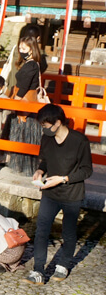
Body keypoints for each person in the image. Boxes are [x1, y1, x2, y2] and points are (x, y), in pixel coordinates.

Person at [25, 104, 93, 285]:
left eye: (47, 125)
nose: (44, 129)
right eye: (43, 126)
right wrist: (40, 171)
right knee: (41, 231)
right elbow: (45, 160)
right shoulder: (47, 139)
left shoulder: (80, 141)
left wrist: (63, 179)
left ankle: (63, 264)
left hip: (72, 194)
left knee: (68, 232)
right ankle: (38, 270)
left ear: (58, 122)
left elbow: (87, 171)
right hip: (50, 191)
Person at [6, 35, 43, 176]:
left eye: (23, 48)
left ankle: (23, 165)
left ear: (31, 49)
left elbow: (25, 85)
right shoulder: (30, 64)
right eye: (20, 47)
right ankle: (21, 165)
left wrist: (17, 99)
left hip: (24, 100)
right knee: (24, 133)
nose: (20, 50)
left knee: (23, 133)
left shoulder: (32, 65)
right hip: (24, 99)